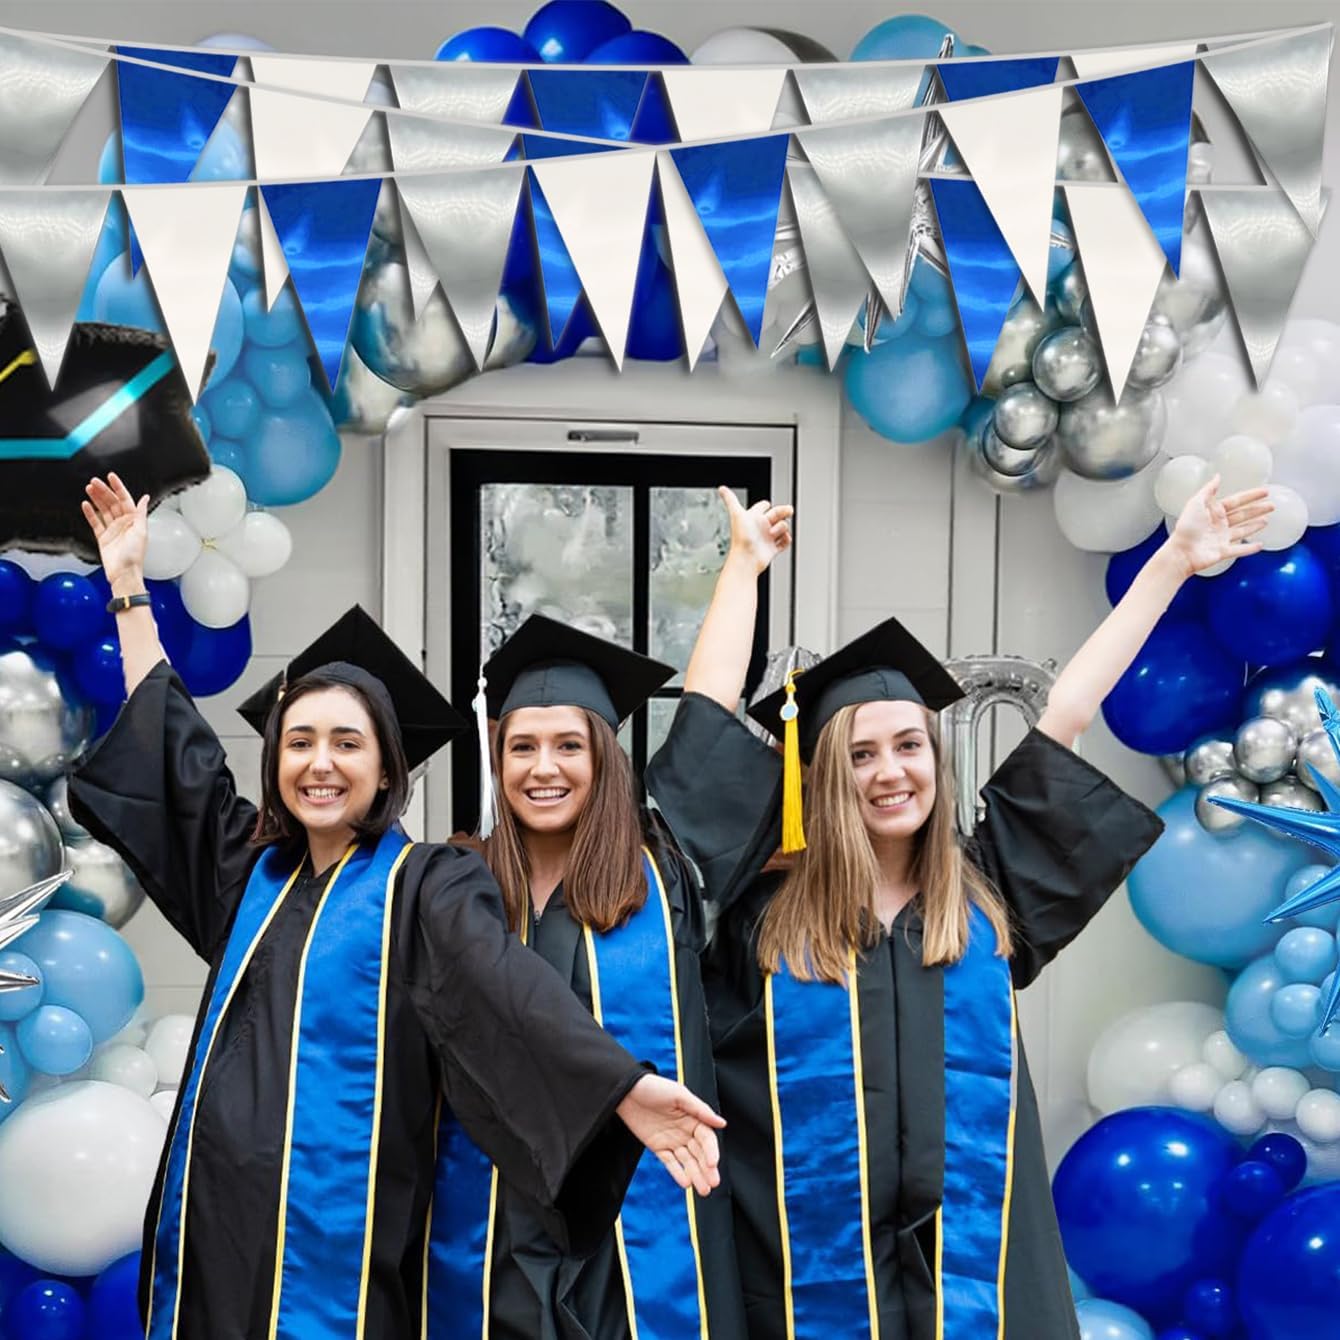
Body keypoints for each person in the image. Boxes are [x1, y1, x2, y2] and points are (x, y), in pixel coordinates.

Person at [68, 473, 725, 1340]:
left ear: (386, 771)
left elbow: (503, 989)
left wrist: (620, 1086)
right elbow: (173, 753)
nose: (320, 763)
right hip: (216, 1232)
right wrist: (129, 591)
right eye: (298, 742)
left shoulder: (426, 881)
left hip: (348, 1247)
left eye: (348, 743)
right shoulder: (248, 874)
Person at [646, 481, 1272, 1340]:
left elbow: (1070, 713)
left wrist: (1170, 563)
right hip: (800, 1283)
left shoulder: (984, 892)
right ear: (828, 777)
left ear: (936, 759)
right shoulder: (769, 916)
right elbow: (708, 730)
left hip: (974, 1283)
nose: (889, 771)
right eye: (859, 755)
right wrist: (744, 572)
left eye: (908, 745)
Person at [454, 615, 747, 1339]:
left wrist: (742, 565)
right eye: (522, 747)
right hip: (495, 1225)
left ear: (603, 758)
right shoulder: (461, 884)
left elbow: (706, 723)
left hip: (643, 1221)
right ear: (498, 760)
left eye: (568, 746)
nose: (542, 768)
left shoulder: (662, 872)